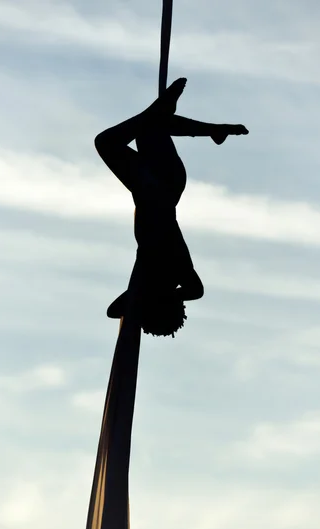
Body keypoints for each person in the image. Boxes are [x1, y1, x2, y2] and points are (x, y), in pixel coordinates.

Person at [94, 78, 248, 337]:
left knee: (151, 125)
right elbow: (195, 290)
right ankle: (190, 119)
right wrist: (155, 298)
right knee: (117, 138)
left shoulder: (157, 282)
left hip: (158, 186)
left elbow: (114, 309)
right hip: (158, 188)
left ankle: (210, 128)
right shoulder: (173, 271)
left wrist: (143, 301)